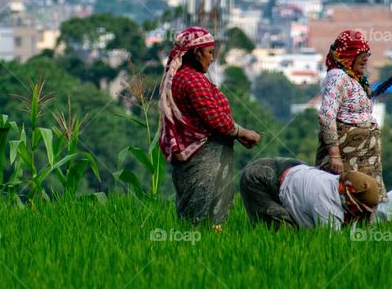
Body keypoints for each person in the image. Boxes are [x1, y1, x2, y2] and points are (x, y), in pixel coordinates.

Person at [159, 26, 262, 227]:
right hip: (203, 153)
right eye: (209, 52)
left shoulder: (181, 76)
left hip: (192, 152)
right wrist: (244, 133)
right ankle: (198, 245)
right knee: (201, 209)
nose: (212, 58)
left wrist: (236, 133)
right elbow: (216, 120)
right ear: (197, 53)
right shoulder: (193, 81)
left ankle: (199, 244)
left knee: (192, 211)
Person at [315, 29, 388, 202]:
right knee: (344, 199)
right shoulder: (337, 76)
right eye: (360, 54)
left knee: (367, 199)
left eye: (366, 54)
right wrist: (334, 155)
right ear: (348, 55)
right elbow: (326, 115)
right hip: (345, 158)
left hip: (364, 159)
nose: (365, 58)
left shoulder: (355, 79)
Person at [239, 158, 379, 230]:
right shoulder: (327, 205)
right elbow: (329, 247)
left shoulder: (336, 184)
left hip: (289, 168)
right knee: (284, 234)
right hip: (260, 178)